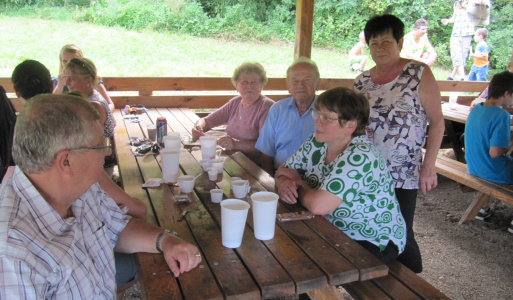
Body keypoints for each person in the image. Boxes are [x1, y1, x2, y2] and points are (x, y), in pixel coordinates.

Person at [0, 93, 201, 298]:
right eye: (100, 145)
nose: (106, 152)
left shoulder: (78, 186)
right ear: (66, 162)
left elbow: (117, 225)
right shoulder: (12, 255)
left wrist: (165, 241)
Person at [354, 14, 445, 273]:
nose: (380, 48)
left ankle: (414, 280)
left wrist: (429, 167)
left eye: (386, 41)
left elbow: (437, 122)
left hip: (404, 171)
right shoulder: (362, 82)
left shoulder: (418, 73)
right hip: (367, 170)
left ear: (400, 42)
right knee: (371, 226)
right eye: (374, 43)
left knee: (401, 228)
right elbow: (353, 126)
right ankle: (394, 280)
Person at [275, 87, 406, 263]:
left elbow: (318, 206)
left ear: (350, 126)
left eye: (327, 118)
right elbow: (283, 171)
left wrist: (298, 183)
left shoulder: (360, 157)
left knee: (304, 260)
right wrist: (284, 183)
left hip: (371, 239)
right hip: (332, 226)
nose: (318, 122)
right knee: (286, 244)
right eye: (317, 114)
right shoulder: (317, 141)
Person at [191, 62, 274, 163]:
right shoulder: (236, 102)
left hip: (252, 165)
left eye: (254, 82)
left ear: (261, 85)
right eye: (245, 82)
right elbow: (207, 121)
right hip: (231, 158)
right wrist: (198, 128)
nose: (249, 85)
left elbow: (265, 145)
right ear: (236, 85)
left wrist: (235, 144)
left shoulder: (266, 106)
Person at [464, 71, 513, 231]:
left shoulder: (476, 109)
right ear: (506, 93)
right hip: (491, 171)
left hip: (473, 166)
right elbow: (495, 153)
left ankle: (482, 209)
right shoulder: (501, 115)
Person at [255, 57, 320, 176]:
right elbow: (266, 153)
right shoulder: (277, 109)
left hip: (314, 181)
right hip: (279, 176)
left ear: (317, 83)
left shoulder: (327, 111)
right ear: (288, 85)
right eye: (295, 81)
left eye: (307, 79)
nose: (301, 85)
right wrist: (271, 184)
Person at [62, 57, 117, 176]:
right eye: (66, 78)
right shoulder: (88, 97)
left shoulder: (93, 106)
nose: (66, 83)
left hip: (99, 167)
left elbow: (85, 145)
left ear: (88, 80)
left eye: (71, 79)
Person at [1, 60, 53, 183]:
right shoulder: (70, 114)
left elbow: (12, 165)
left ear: (16, 91)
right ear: (52, 85)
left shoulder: (20, 122)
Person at [53, 44, 115, 112]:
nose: (68, 64)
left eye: (73, 61)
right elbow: (51, 106)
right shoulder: (58, 82)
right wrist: (60, 86)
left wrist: (103, 114)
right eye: (65, 61)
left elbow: (110, 104)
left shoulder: (91, 81)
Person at [442, 0, 475, 80]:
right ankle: (463, 78)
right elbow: (454, 18)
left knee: (462, 57)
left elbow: (476, 14)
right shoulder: (457, 3)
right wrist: (448, 21)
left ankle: (451, 76)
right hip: (456, 33)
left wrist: (465, 6)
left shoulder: (474, 2)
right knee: (456, 55)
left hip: (467, 32)